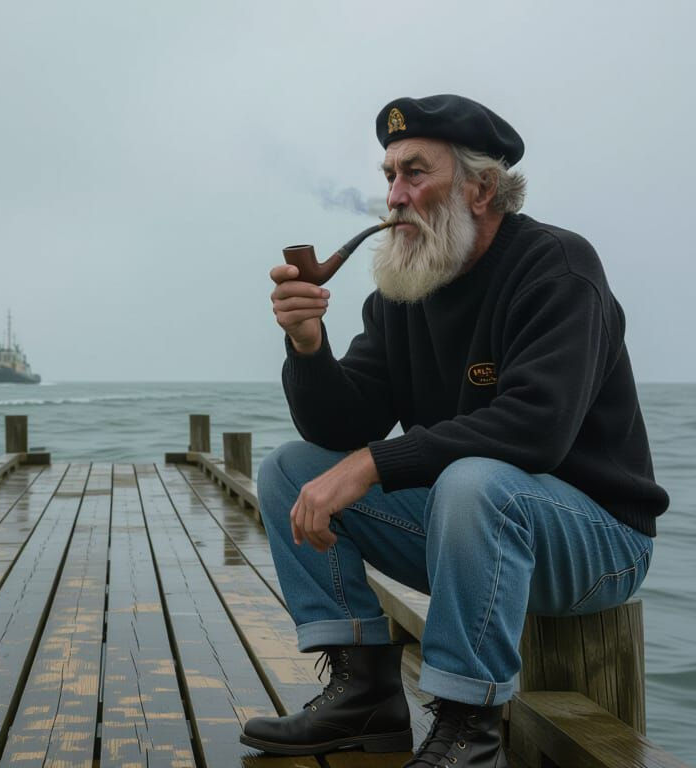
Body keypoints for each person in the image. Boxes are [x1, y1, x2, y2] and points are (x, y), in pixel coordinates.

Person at [239, 95, 668, 768]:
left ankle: (467, 729)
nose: (395, 196)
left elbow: (536, 430)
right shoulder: (402, 294)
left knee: (475, 482)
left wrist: (369, 467)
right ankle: (365, 695)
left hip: (600, 541)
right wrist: (307, 345)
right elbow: (341, 423)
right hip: (472, 526)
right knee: (291, 469)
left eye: (414, 173)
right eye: (388, 176)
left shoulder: (556, 267)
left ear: (481, 187)